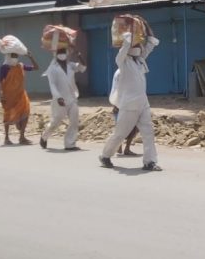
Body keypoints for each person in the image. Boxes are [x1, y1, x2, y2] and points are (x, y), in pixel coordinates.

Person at [99, 21, 161, 171]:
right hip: (128, 105)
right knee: (120, 134)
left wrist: (144, 25)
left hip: (143, 103)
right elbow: (122, 50)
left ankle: (149, 162)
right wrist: (128, 39)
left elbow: (151, 42)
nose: (140, 47)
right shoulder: (123, 62)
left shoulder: (140, 61)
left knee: (148, 133)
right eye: (137, 45)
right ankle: (105, 155)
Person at [39, 48, 86, 151]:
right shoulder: (52, 68)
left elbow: (82, 68)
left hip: (72, 98)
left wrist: (79, 55)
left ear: (67, 53)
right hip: (59, 99)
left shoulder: (71, 65)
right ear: (56, 55)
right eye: (60, 53)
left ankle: (70, 144)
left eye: (64, 52)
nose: (62, 55)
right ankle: (44, 136)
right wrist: (58, 97)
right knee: (55, 122)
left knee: (74, 121)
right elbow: (52, 84)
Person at [0, 51, 38, 145]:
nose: (15, 58)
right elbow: (0, 81)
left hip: (21, 95)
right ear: (8, 56)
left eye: (16, 56)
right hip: (8, 95)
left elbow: (36, 68)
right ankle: (7, 138)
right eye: (13, 56)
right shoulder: (4, 67)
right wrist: (1, 92)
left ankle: (22, 137)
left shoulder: (21, 66)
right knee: (8, 115)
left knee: (26, 112)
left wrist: (31, 57)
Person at [109, 69, 139, 156]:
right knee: (132, 126)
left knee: (125, 127)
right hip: (123, 104)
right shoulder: (123, 72)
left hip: (122, 103)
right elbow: (119, 88)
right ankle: (125, 148)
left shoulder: (121, 71)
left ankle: (121, 147)